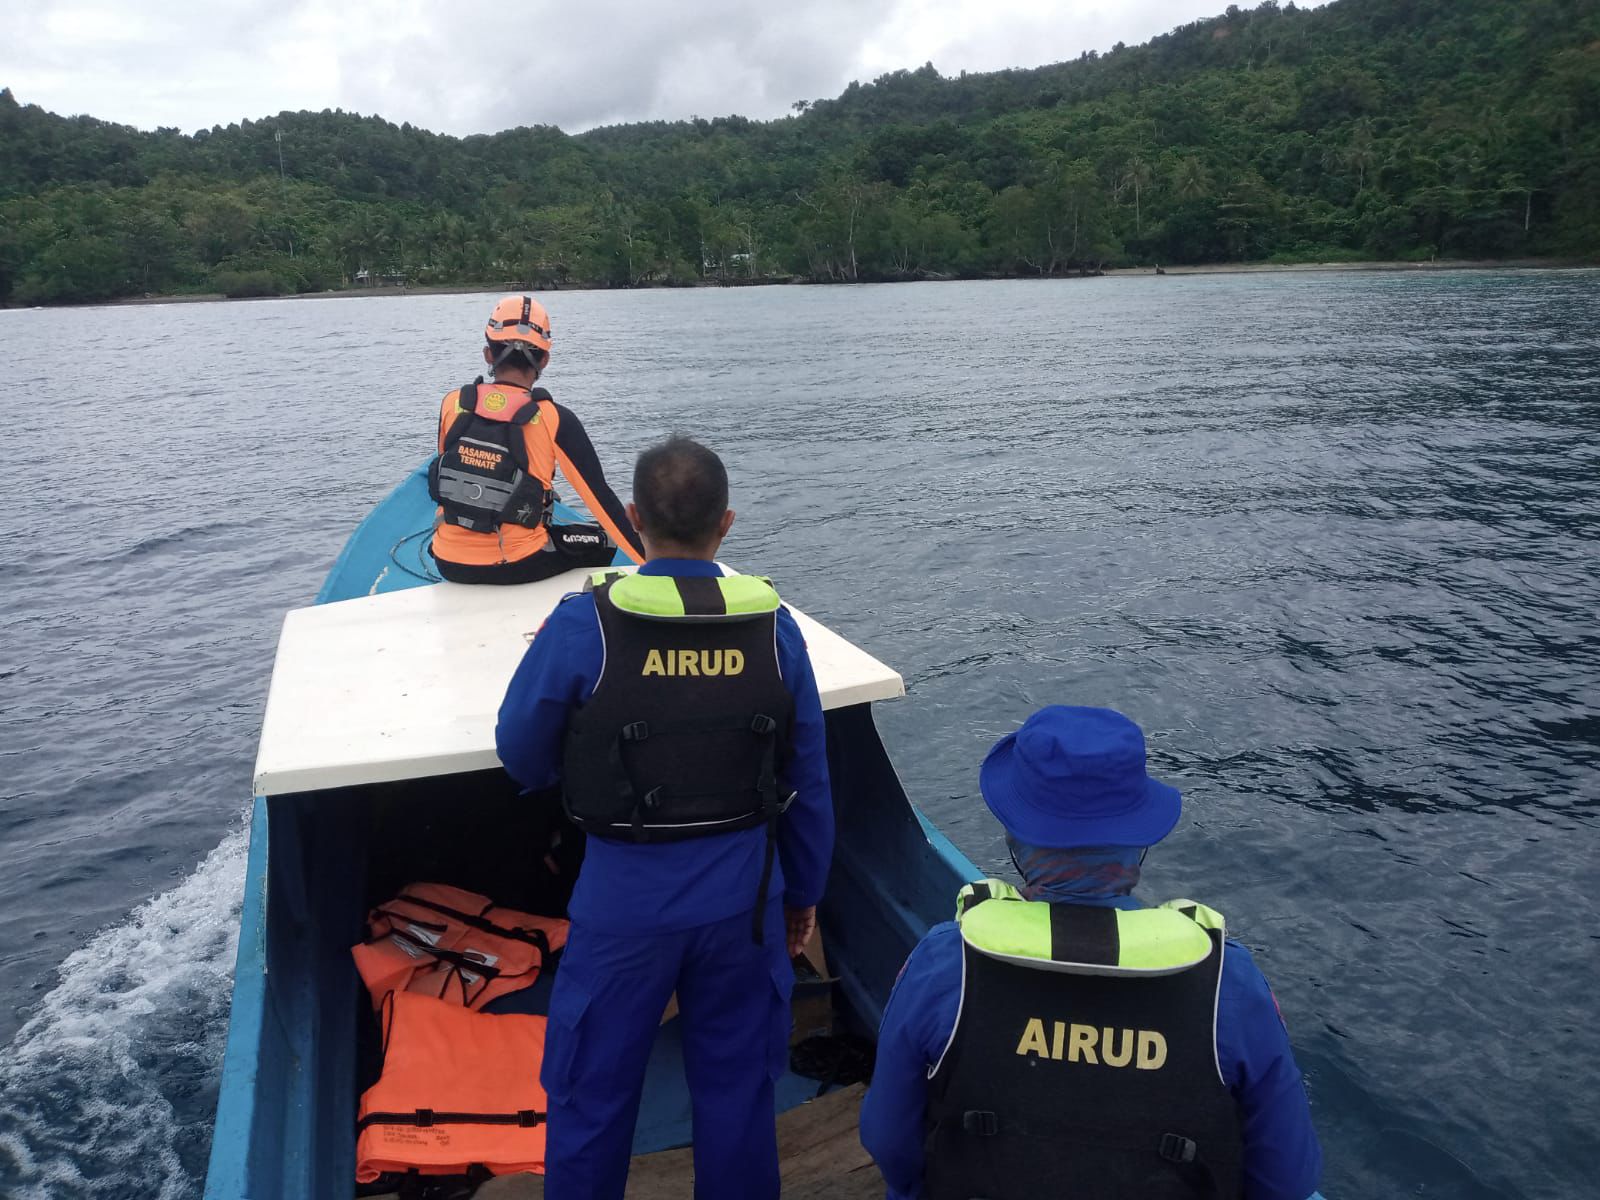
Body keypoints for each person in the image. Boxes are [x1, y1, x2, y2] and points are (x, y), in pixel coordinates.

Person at [495, 436, 834, 1199]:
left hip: (623, 908)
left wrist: (578, 778)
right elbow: (808, 777)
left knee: (591, 1096)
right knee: (738, 1092)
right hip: (747, 905)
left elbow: (520, 751)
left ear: (633, 518)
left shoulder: (587, 625)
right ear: (728, 524)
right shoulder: (774, 631)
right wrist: (803, 894)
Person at [860, 706, 1323, 1200]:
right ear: (1140, 837)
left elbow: (889, 1141)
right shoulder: (1230, 985)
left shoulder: (944, 965)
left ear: (1016, 835)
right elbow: (1288, 1180)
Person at [429, 294, 645, 584]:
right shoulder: (553, 417)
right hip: (517, 564)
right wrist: (651, 561)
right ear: (544, 358)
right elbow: (601, 499)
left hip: (447, 561)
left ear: (488, 355)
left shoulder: (453, 403)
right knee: (604, 540)